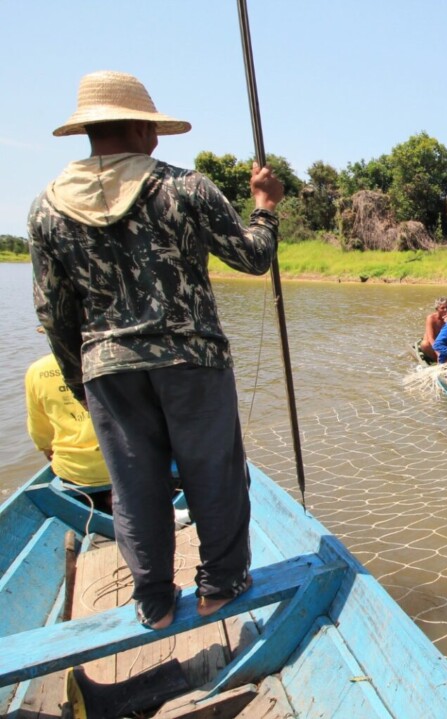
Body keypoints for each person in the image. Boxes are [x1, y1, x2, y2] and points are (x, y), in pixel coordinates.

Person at [28, 70, 284, 630]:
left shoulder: (46, 211)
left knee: (134, 484)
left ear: (88, 132)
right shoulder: (185, 189)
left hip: (107, 368)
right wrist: (265, 205)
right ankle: (220, 585)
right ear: (146, 131)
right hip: (192, 360)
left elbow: (54, 313)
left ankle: (153, 601)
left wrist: (84, 380)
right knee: (213, 472)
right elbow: (252, 257)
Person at [25, 350, 112, 511]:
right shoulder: (115, 358)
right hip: (128, 465)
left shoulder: (37, 370)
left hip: (74, 471)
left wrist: (48, 451)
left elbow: (40, 433)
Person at [419, 297, 447, 361]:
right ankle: (436, 359)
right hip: (432, 344)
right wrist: (438, 354)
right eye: (442, 308)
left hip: (443, 344)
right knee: (425, 345)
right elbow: (431, 338)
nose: (446, 310)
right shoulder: (431, 318)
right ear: (437, 309)